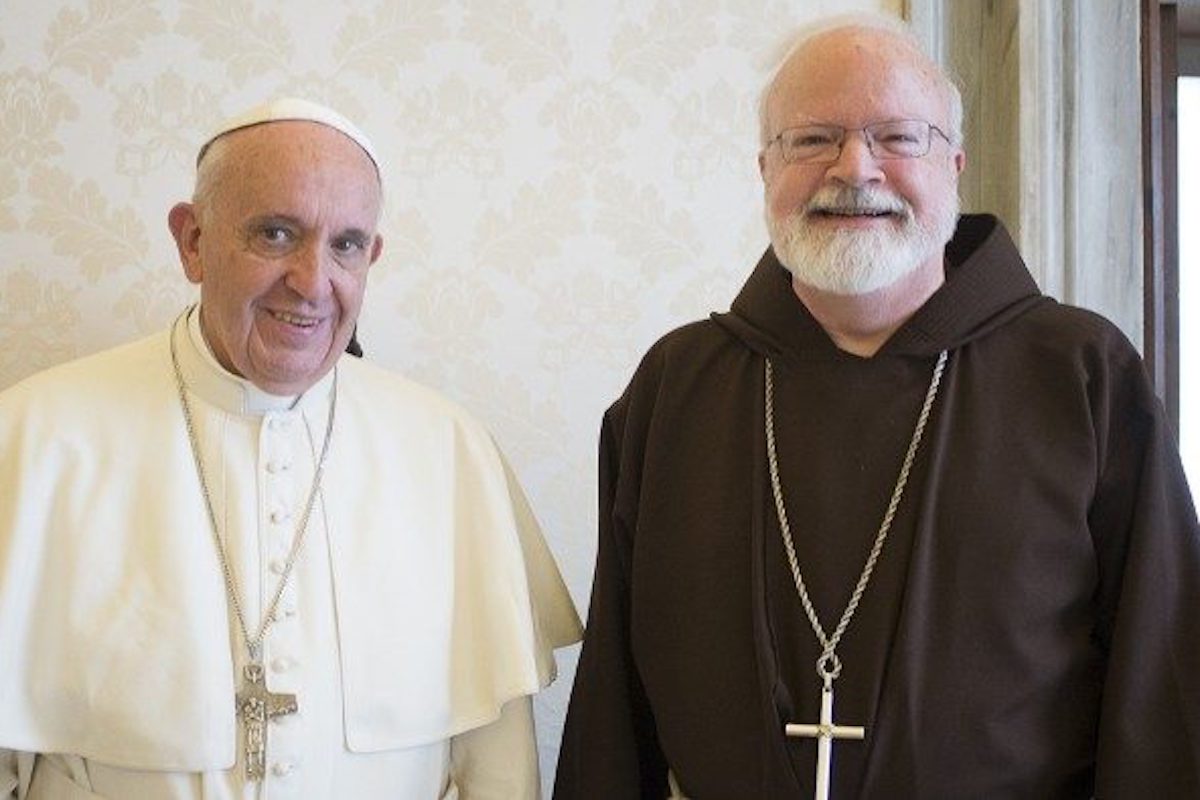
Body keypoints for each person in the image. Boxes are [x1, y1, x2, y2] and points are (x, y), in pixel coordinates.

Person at [554, 15, 1200, 799]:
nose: (856, 168)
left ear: (955, 166)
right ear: (764, 167)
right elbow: (611, 714)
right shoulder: (676, 389)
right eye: (813, 139)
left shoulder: (1083, 376)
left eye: (899, 137)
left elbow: (1160, 693)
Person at [0, 98, 581, 798]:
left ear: (372, 256)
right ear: (191, 241)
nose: (312, 283)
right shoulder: (37, 434)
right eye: (276, 234)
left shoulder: (447, 448)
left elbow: (498, 762)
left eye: (345, 245)